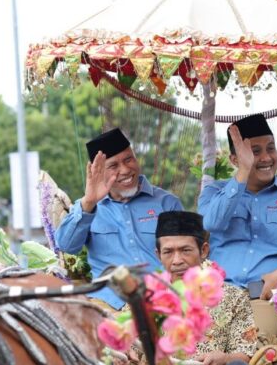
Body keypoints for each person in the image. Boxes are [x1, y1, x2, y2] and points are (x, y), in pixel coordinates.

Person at [112, 211, 258, 365]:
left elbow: (245, 352)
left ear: (204, 250)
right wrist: (121, 355)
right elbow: (120, 339)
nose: (177, 260)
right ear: (158, 254)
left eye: (185, 250)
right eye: (168, 252)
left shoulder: (233, 296)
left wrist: (223, 359)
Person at [198, 114, 277, 300]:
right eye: (255, 151)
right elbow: (211, 223)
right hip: (218, 297)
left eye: (271, 148)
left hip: (272, 299)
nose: (267, 157)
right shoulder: (214, 191)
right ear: (234, 160)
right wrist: (244, 171)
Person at [55, 128, 183, 309]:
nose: (125, 170)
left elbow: (186, 256)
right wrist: (89, 202)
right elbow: (66, 245)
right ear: (98, 172)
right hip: (110, 305)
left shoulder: (166, 203)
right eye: (113, 166)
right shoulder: (88, 207)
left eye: (128, 159)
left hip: (165, 301)